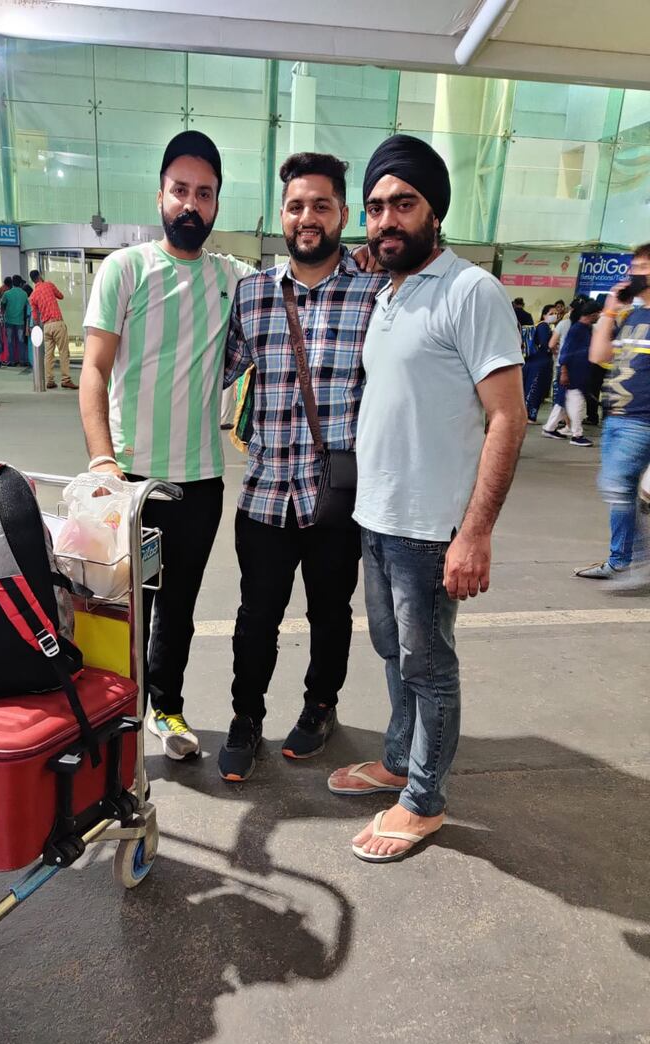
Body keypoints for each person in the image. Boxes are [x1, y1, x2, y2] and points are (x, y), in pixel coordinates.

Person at [327, 134, 525, 864]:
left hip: (430, 527)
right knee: (392, 652)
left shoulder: (471, 291)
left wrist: (474, 534)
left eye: (402, 204)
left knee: (429, 665)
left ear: (433, 211)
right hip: (376, 520)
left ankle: (424, 801)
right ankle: (399, 759)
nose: (386, 220)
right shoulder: (390, 291)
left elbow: (508, 415)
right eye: (376, 207)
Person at [79, 130, 256, 761]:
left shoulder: (234, 279)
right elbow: (94, 369)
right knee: (120, 607)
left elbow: (299, 286)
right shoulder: (124, 270)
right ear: (160, 195)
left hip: (200, 481)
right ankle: (111, 713)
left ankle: (168, 710)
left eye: (203, 194)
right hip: (127, 477)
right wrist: (102, 461)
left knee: (176, 606)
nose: (190, 204)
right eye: (180, 190)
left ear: (216, 204)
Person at [216, 153, 385, 782]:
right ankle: (244, 718)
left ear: (342, 214)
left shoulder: (375, 293)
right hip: (264, 495)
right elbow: (216, 369)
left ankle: (319, 706)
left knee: (330, 613)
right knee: (254, 615)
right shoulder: (253, 293)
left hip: (336, 497)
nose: (306, 217)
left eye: (320, 205)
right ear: (280, 216)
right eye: (295, 206)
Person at [576, 243, 650, 585]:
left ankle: (639, 557)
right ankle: (621, 559)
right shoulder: (632, 316)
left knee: (616, 484)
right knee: (622, 491)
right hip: (616, 416)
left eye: (643, 267)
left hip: (642, 419)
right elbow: (598, 355)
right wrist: (609, 312)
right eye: (633, 266)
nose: (634, 273)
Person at [541, 299, 600, 447]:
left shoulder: (587, 329)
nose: (599, 316)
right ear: (592, 314)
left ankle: (549, 428)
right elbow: (566, 351)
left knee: (562, 401)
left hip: (578, 371)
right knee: (576, 402)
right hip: (571, 373)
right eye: (598, 313)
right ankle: (577, 434)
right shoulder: (577, 329)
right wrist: (564, 371)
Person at [29, 269, 78, 390]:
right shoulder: (49, 285)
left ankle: (49, 380)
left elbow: (35, 317)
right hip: (57, 323)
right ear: (40, 276)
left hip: (46, 326)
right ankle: (66, 379)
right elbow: (61, 296)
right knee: (63, 352)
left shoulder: (33, 296)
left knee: (48, 355)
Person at [523, 303, 557, 423]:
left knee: (534, 389)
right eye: (551, 314)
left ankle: (529, 415)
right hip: (539, 363)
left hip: (537, 362)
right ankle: (528, 415)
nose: (554, 316)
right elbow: (545, 344)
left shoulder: (545, 326)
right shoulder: (543, 326)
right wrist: (553, 345)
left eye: (556, 313)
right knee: (534, 389)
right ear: (544, 315)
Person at [1, 274, 30, 367]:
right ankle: (22, 360)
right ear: (20, 283)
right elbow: (27, 305)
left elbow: (2, 304)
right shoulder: (24, 294)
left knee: (10, 341)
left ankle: (12, 361)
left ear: (12, 283)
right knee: (21, 341)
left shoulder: (7, 293)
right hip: (20, 321)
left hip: (9, 320)